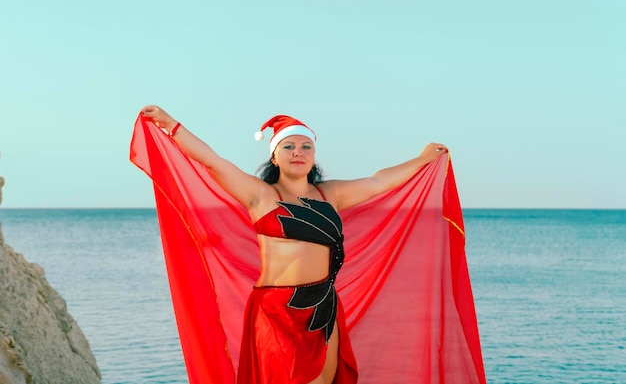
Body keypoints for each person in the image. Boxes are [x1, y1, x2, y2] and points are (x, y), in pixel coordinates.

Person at [134, 106, 484, 384]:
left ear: (314, 155)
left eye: (306, 146)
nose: (298, 152)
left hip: (324, 306)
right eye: (289, 146)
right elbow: (212, 161)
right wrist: (171, 125)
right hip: (276, 310)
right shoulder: (261, 196)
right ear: (275, 156)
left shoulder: (329, 194)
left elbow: (379, 181)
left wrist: (422, 159)